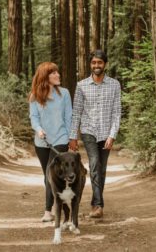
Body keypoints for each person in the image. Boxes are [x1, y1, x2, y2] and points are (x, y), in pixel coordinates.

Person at [69, 50, 121, 218]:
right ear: (90, 65)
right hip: (89, 131)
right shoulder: (81, 85)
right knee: (94, 163)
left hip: (106, 133)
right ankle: (97, 205)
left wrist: (112, 135)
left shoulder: (115, 85)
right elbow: (76, 112)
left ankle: (97, 202)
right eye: (94, 63)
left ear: (105, 64)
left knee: (102, 168)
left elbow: (116, 112)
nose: (96, 66)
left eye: (99, 63)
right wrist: (73, 137)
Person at [28, 62, 72, 222]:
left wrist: (68, 138)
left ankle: (48, 211)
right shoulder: (34, 95)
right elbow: (34, 117)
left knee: (49, 175)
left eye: (57, 73)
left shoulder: (65, 94)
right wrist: (38, 129)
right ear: (45, 76)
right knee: (47, 175)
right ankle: (55, 203)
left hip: (60, 141)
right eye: (53, 73)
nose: (58, 75)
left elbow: (69, 117)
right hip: (42, 142)